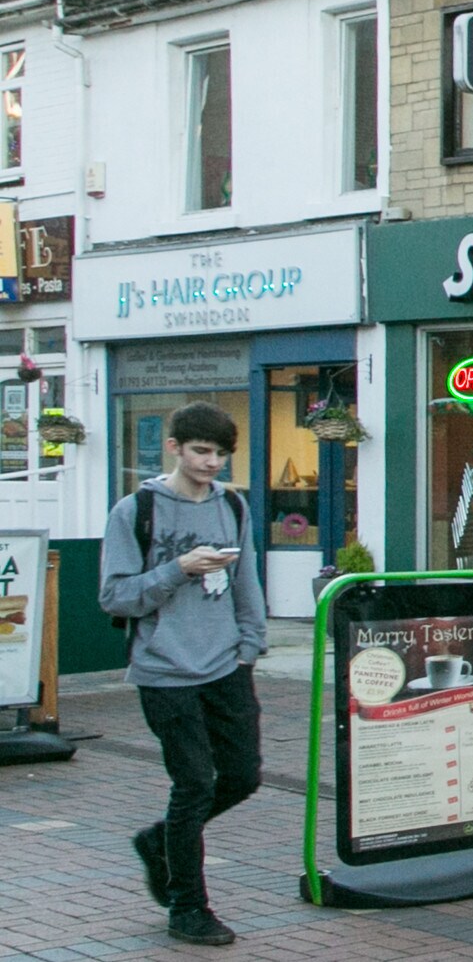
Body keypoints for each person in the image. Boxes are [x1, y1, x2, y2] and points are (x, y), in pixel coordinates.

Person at [99, 402, 266, 947]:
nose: (211, 462)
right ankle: (187, 908)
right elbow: (115, 596)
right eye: (201, 451)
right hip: (165, 670)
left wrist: (250, 643)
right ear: (173, 447)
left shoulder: (233, 506)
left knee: (242, 776)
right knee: (193, 784)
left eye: (220, 453)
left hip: (225, 666)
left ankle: (159, 842)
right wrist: (178, 568)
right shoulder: (137, 509)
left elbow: (247, 580)